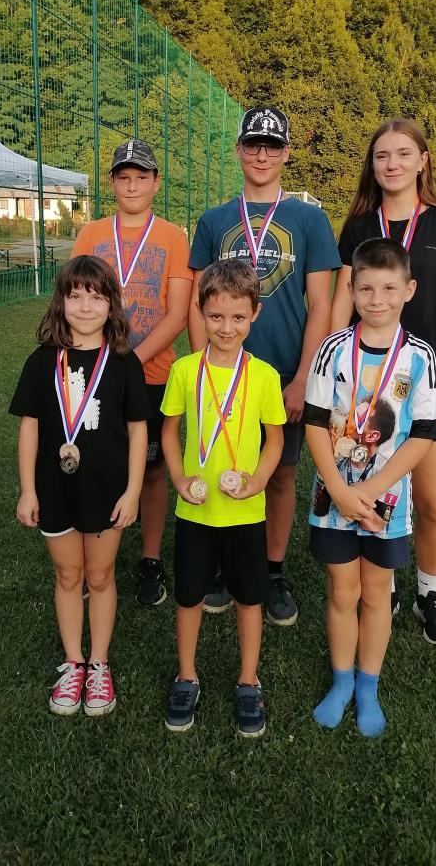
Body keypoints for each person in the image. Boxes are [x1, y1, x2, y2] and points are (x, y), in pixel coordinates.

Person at [188, 106, 340, 625]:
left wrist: (303, 378)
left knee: (279, 474)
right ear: (238, 150)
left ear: (286, 154)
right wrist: (200, 371)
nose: (261, 155)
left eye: (272, 146)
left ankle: (271, 571)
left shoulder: (309, 219)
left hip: (281, 375)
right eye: (253, 144)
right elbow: (197, 302)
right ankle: (219, 566)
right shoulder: (213, 221)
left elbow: (320, 304)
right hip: (222, 372)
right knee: (215, 462)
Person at [330, 119, 436, 644]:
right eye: (382, 156)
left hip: (425, 382)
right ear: (372, 166)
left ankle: (429, 593)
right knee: (369, 486)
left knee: (435, 501)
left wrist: (413, 359)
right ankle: (382, 584)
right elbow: (342, 304)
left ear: (422, 161)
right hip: (364, 384)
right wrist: (335, 363)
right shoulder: (357, 227)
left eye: (403, 154)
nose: (392, 164)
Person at [305, 238, 436, 736]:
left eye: (388, 288)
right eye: (366, 288)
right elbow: (315, 422)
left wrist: (376, 486)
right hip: (334, 497)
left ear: (409, 290)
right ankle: (342, 681)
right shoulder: (332, 350)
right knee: (342, 590)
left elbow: (424, 433)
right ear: (351, 290)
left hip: (388, 501)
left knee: (376, 592)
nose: (377, 299)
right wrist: (340, 490)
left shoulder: (420, 357)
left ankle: (368, 686)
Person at [10, 256, 149, 716]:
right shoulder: (42, 362)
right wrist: (28, 490)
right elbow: (30, 428)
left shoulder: (125, 363)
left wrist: (132, 491)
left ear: (112, 305)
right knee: (68, 575)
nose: (85, 306)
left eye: (96, 296)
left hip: (107, 491)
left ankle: (99, 664)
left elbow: (138, 431)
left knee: (101, 576)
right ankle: (73, 664)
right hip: (55, 489)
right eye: (75, 296)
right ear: (61, 302)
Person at [161, 260, 286, 736]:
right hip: (195, 509)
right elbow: (168, 432)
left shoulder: (265, 376)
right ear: (200, 312)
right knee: (189, 596)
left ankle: (248, 680)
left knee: (249, 599)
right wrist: (178, 479)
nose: (226, 327)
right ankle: (186, 676)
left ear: (255, 314)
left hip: (245, 512)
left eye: (238, 317)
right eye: (215, 316)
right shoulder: (184, 371)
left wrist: (257, 482)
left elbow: (275, 441)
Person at [72, 140, 193, 608]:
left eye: (142, 177)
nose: (132, 186)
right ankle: (92, 558)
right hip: (94, 372)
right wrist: (102, 364)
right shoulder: (91, 234)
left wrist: (130, 362)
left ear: (156, 183)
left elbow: (177, 314)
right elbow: (73, 299)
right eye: (124, 177)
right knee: (95, 460)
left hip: (150, 372)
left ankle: (150, 558)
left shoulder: (172, 237)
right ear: (112, 183)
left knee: (153, 467)